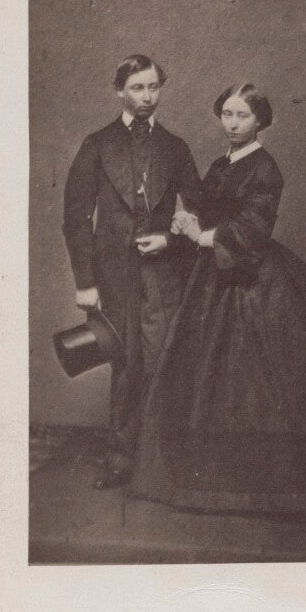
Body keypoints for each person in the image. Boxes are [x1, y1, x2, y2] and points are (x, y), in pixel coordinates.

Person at [129, 82, 306, 515]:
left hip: (252, 277)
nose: (233, 123)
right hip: (211, 278)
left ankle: (263, 486)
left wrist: (203, 235)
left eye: (243, 116)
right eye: (227, 114)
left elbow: (253, 229)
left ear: (260, 121)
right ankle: (205, 477)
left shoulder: (265, 169)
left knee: (260, 383)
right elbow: (206, 211)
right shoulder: (220, 164)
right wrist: (184, 223)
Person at [63, 54, 202, 489]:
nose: (147, 97)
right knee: (125, 365)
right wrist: (85, 283)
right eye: (138, 88)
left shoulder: (175, 147)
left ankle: (161, 464)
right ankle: (122, 460)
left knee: (163, 360)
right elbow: (76, 218)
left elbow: (201, 212)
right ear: (119, 91)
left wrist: (170, 240)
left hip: (163, 273)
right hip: (114, 275)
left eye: (153, 87)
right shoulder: (97, 144)